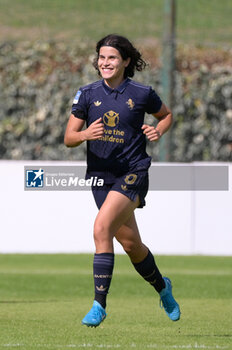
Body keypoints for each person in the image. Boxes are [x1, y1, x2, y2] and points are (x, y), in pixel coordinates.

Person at [64, 34, 180, 327]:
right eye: (102, 57)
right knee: (132, 246)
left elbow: (166, 115)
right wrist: (84, 135)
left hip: (134, 172)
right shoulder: (87, 94)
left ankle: (99, 305)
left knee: (101, 227)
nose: (105, 62)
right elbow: (69, 138)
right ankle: (163, 287)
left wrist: (158, 130)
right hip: (101, 177)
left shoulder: (141, 93)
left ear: (126, 62)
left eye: (112, 58)